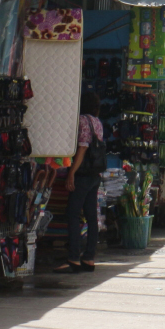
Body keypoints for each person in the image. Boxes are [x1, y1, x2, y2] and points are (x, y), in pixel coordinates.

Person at [54, 90, 104, 273]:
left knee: (73, 213)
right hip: (94, 175)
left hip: (82, 175)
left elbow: (82, 149)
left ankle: (74, 257)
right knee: (91, 216)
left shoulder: (82, 121)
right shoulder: (97, 122)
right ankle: (89, 257)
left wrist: (71, 173)